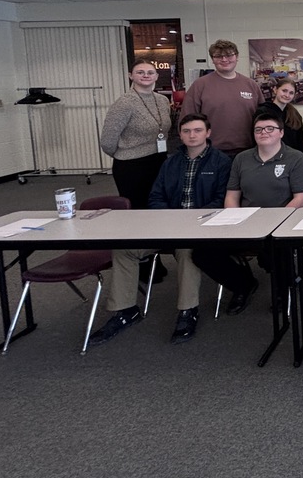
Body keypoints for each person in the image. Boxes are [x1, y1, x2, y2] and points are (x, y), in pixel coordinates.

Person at [88, 114, 231, 346]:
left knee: (187, 250)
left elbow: (221, 200)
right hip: (167, 227)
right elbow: (156, 197)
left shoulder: (221, 162)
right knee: (125, 249)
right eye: (186, 131)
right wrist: (169, 219)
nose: (192, 135)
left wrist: (192, 220)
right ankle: (125, 310)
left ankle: (187, 311)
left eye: (197, 130)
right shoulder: (170, 163)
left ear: (208, 133)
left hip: (199, 228)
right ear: (181, 135)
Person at [192, 111, 303, 316]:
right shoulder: (242, 159)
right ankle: (243, 284)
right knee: (203, 253)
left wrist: (276, 222)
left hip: (280, 223)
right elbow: (231, 195)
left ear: (281, 133)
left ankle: (283, 291)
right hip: (245, 223)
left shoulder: (295, 158)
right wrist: (235, 219)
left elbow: (301, 197)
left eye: (270, 128)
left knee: (274, 251)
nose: (263, 132)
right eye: (258, 129)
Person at [99, 59, 174, 283]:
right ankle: (141, 264)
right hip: (131, 166)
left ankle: (154, 260)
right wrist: (125, 155)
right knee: (138, 215)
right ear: (131, 75)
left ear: (156, 76)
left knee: (156, 211)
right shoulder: (124, 103)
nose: (145, 75)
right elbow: (107, 140)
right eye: (140, 72)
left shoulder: (162, 100)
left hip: (158, 162)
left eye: (150, 72)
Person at [180, 39, 262, 158]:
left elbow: (262, 117)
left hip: (248, 150)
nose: (224, 60)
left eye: (229, 55)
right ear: (212, 59)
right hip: (210, 152)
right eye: (218, 56)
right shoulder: (200, 85)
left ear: (237, 57)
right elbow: (186, 119)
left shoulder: (251, 85)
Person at [256, 77, 303, 157]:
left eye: (291, 93)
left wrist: (302, 160)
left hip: (291, 160)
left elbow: (300, 142)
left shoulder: (295, 114)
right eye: (284, 91)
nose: (287, 95)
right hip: (269, 159)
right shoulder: (262, 112)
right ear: (275, 90)